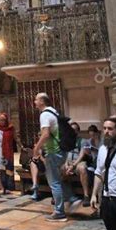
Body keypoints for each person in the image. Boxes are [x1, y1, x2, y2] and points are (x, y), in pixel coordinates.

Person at [33, 92, 75, 222]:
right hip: (61, 150)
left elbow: (45, 134)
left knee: (54, 182)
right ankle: (72, 198)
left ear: (42, 101)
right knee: (57, 179)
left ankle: (59, 212)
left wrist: (36, 148)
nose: (34, 102)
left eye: (36, 100)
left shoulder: (45, 114)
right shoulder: (54, 112)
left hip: (53, 151)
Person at [66, 124, 102, 206]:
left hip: (78, 163)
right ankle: (61, 195)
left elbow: (82, 155)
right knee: (57, 168)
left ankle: (86, 196)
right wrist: (66, 164)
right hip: (68, 163)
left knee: (83, 168)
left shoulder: (83, 141)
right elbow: (65, 154)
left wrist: (73, 165)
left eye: (74, 130)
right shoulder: (67, 141)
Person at [0, 112, 16, 194]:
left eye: (3, 120)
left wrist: (21, 146)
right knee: (1, 170)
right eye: (0, 120)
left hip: (8, 151)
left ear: (6, 120)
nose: (2, 122)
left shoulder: (11, 128)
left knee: (9, 169)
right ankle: (3, 187)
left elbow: (15, 137)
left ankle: (9, 187)